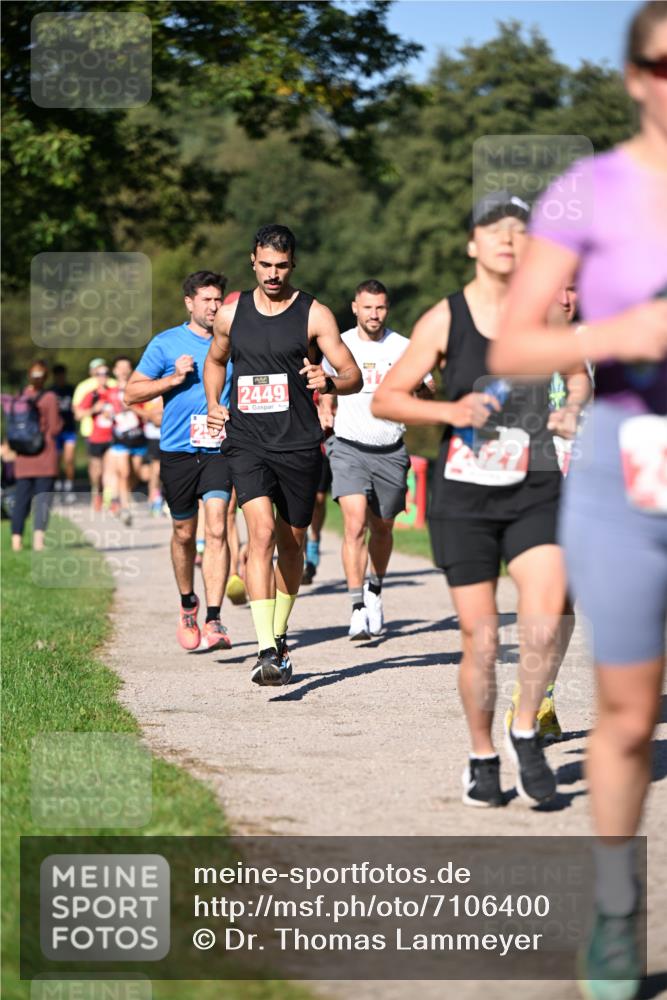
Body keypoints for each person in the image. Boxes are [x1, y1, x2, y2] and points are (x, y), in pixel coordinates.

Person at [489, 5, 667, 995]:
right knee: (629, 714)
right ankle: (613, 907)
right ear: (637, 74)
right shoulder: (583, 193)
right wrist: (624, 330)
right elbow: (515, 344)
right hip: (628, 462)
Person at [373, 191, 575, 808]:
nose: (508, 238)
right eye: (494, 229)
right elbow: (387, 399)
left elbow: (581, 376)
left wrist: (572, 407)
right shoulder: (445, 318)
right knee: (482, 640)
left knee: (543, 618)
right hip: (464, 493)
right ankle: (482, 753)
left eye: (519, 228)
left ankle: (525, 730)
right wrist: (449, 410)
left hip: (536, 483)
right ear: (472, 244)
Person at [204, 224, 362, 686]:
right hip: (247, 440)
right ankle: (266, 649)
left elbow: (352, 374)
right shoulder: (231, 314)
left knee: (292, 546)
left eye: (282, 266)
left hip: (297, 442)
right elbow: (216, 361)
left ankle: (279, 633)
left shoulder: (315, 315)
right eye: (265, 265)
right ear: (252, 261)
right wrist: (215, 403)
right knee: (261, 534)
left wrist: (328, 381)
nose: (273, 274)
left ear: (292, 265)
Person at [125, 271, 234, 653]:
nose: (213, 306)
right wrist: (173, 378)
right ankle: (189, 603)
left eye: (218, 299)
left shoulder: (235, 341)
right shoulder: (167, 343)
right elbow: (130, 393)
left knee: (218, 525)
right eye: (206, 300)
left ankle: (215, 617)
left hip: (220, 448)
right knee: (184, 533)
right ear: (189, 302)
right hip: (178, 450)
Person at [322, 279, 433, 639]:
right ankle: (356, 607)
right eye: (367, 307)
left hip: (390, 448)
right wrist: (325, 411)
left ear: (387, 309)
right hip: (348, 445)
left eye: (380, 307)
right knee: (354, 525)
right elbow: (323, 388)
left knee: (382, 527)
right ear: (355, 307)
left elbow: (426, 397)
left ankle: (375, 589)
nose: (374, 314)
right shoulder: (339, 344)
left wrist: (422, 390)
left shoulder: (404, 347)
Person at [9, 360, 62, 551]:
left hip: (22, 457)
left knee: (20, 500)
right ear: (46, 377)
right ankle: (39, 542)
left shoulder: (19, 397)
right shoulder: (50, 397)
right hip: (45, 456)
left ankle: (16, 543)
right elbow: (55, 427)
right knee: (42, 500)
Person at [106, 355, 149, 526]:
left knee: (136, 473)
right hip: (120, 437)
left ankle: (120, 497)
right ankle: (125, 507)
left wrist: (131, 407)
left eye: (126, 367)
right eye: (120, 367)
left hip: (138, 436)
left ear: (131, 370)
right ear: (115, 371)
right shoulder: (110, 392)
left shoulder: (138, 388)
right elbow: (105, 411)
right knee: (123, 473)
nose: (123, 370)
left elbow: (146, 410)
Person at [72, 358, 117, 511]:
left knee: (109, 468)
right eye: (99, 373)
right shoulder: (87, 390)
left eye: (105, 373)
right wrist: (94, 409)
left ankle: (108, 499)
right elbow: (77, 413)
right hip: (92, 434)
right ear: (94, 374)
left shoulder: (114, 388)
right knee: (96, 469)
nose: (103, 376)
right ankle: (96, 492)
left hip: (112, 435)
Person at [301, 389, 334, 586]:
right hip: (299, 445)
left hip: (323, 446)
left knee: (319, 499)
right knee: (303, 500)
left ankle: (314, 538)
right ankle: (305, 554)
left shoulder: (328, 366)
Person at [49, 364, 77, 501]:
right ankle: (58, 484)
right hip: (55, 432)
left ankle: (69, 485)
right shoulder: (50, 392)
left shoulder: (71, 390)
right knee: (57, 460)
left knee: (69, 459)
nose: (61, 378)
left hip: (69, 430)